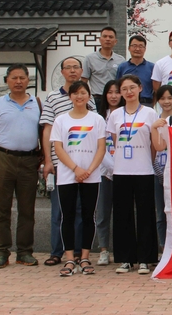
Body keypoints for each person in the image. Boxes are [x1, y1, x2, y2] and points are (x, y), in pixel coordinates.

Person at [0, 64, 42, 269]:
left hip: (29, 160)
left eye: (22, 78)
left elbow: (44, 132)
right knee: (2, 209)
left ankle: (25, 252)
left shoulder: (37, 104)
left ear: (28, 80)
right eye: (14, 78)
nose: (18, 82)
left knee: (27, 209)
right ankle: (1, 252)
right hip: (3, 158)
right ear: (7, 80)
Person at [40, 57, 96, 267]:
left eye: (76, 67)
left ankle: (80, 253)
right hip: (60, 163)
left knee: (82, 211)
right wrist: (48, 160)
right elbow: (47, 129)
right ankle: (57, 252)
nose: (72, 71)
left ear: (81, 71)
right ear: (62, 71)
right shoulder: (53, 97)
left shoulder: (88, 97)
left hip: (86, 165)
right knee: (60, 211)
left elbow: (94, 132)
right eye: (68, 68)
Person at [51, 81, 107, 276]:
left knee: (88, 216)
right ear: (70, 97)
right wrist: (76, 169)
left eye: (83, 93)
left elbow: (101, 148)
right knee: (67, 216)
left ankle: (84, 257)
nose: (79, 96)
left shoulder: (97, 119)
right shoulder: (61, 120)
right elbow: (58, 148)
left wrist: (89, 170)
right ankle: (69, 259)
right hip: (67, 175)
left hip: (91, 176)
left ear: (89, 96)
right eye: (75, 93)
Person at [107, 74, 159, 275]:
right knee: (122, 215)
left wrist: (148, 161)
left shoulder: (150, 113)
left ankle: (146, 259)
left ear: (140, 88)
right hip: (121, 170)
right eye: (124, 89)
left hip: (144, 170)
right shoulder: (115, 115)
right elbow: (115, 142)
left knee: (146, 215)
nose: (128, 92)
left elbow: (153, 144)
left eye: (132, 88)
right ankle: (125, 259)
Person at [95, 79, 124, 266]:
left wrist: (119, 166)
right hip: (103, 171)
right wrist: (110, 165)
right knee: (103, 214)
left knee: (122, 213)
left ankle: (122, 250)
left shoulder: (126, 115)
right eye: (110, 92)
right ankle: (104, 250)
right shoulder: (98, 118)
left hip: (124, 170)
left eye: (117, 92)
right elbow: (98, 146)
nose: (114, 96)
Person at [150, 85, 172, 257]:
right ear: (157, 101)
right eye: (162, 98)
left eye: (170, 98)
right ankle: (162, 248)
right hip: (157, 171)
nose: (166, 102)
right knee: (160, 213)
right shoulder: (154, 120)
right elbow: (153, 148)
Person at [81, 26, 125, 110]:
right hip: (97, 98)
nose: (107, 39)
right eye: (105, 36)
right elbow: (84, 81)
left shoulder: (121, 60)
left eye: (110, 37)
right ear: (100, 39)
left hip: (115, 99)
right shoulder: (90, 59)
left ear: (115, 41)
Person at [116, 35, 155, 107]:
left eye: (141, 46)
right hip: (126, 103)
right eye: (134, 46)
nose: (137, 49)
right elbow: (118, 86)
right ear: (129, 48)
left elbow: (156, 89)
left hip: (146, 103)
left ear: (145, 49)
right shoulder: (122, 67)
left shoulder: (152, 67)